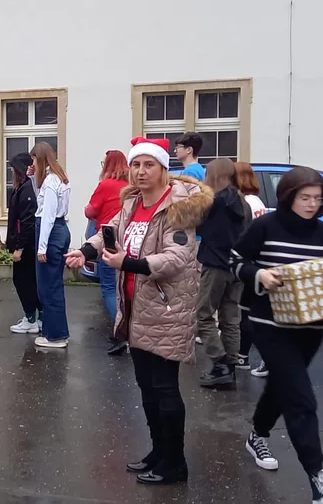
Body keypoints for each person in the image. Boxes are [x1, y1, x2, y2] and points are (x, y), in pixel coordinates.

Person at [66, 136, 209, 485]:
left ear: (163, 169)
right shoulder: (132, 203)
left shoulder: (177, 206)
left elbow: (178, 259)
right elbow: (109, 231)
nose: (141, 171)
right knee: (146, 389)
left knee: (164, 389)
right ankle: (159, 452)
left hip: (165, 309)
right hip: (135, 309)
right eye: (136, 164)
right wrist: (86, 250)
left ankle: (175, 462)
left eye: (149, 165)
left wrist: (129, 262)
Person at [230, 166, 323, 504]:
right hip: (269, 325)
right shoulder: (265, 226)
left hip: (311, 328)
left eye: (318, 198)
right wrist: (260, 274)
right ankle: (318, 482)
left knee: (283, 387)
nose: (312, 204)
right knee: (301, 398)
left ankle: (257, 434)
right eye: (305, 197)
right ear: (288, 196)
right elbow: (235, 261)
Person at [196, 159, 248, 388]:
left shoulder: (213, 202)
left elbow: (196, 226)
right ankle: (231, 368)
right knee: (230, 320)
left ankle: (221, 363)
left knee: (203, 315)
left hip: (215, 266)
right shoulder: (242, 202)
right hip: (237, 267)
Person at [84, 150, 130, 352]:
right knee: (126, 287)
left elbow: (90, 211)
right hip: (129, 239)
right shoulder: (131, 186)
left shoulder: (106, 185)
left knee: (110, 288)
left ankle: (121, 332)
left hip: (108, 239)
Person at [31, 142, 71, 349]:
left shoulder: (49, 183)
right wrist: (32, 177)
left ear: (40, 159)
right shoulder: (60, 178)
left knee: (48, 287)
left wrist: (41, 247)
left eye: (33, 160)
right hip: (61, 229)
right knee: (54, 284)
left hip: (51, 232)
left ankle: (55, 336)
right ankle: (56, 332)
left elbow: (46, 215)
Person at [233, 162, 267, 375]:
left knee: (247, 313)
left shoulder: (245, 202)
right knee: (249, 312)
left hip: (251, 264)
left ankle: (246, 356)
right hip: (258, 263)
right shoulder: (257, 200)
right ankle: (243, 356)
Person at [6, 153, 43, 334]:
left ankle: (31, 319)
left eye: (13, 169)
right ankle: (37, 317)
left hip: (25, 246)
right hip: (25, 243)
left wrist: (19, 248)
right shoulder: (23, 188)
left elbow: (27, 221)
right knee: (29, 280)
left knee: (22, 281)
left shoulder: (26, 190)